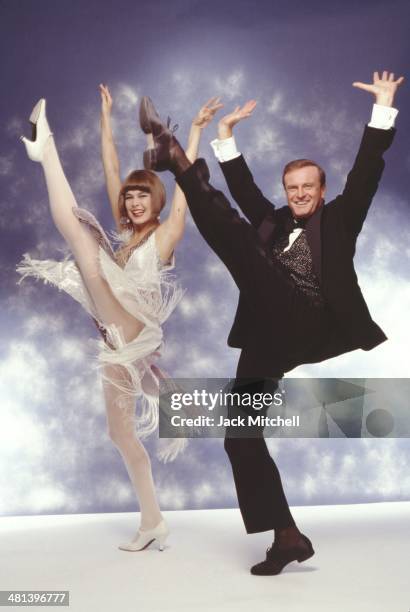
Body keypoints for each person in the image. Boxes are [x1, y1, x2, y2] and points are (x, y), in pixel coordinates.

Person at [138, 70, 403, 573]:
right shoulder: (272, 221)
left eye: (308, 187)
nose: (299, 194)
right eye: (292, 187)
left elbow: (367, 169)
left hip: (310, 319)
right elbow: (241, 190)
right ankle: (287, 537)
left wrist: (384, 105)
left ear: (322, 191)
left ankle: (174, 158)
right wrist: (225, 137)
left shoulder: (340, 219)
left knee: (243, 246)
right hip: (268, 334)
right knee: (239, 437)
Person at [17, 91, 222, 552]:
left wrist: (194, 131)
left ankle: (44, 148)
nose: (132, 203)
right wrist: (105, 119)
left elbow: (186, 189)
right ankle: (153, 521)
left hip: (133, 324)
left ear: (156, 202)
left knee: (82, 244)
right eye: (128, 198)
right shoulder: (126, 241)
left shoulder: (167, 235)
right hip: (119, 338)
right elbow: (111, 169)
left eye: (142, 197)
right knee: (120, 433)